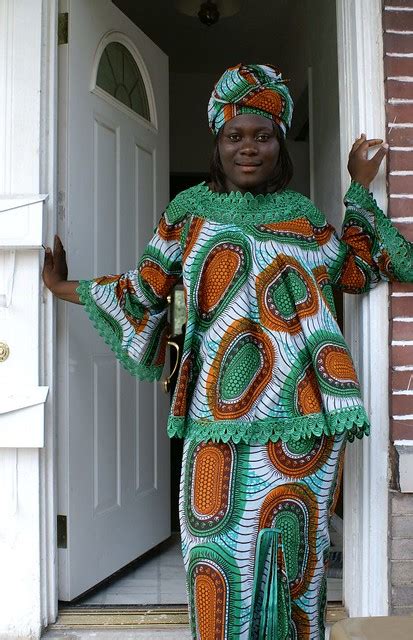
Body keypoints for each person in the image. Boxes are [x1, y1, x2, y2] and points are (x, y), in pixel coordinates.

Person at [43, 63, 413, 639]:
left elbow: (364, 269)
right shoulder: (188, 210)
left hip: (303, 423)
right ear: (216, 142)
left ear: (279, 141)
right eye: (234, 136)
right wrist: (60, 287)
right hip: (215, 419)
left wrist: (359, 187)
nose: (249, 148)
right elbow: (144, 291)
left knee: (293, 567)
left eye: (262, 135)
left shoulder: (304, 216)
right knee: (215, 559)